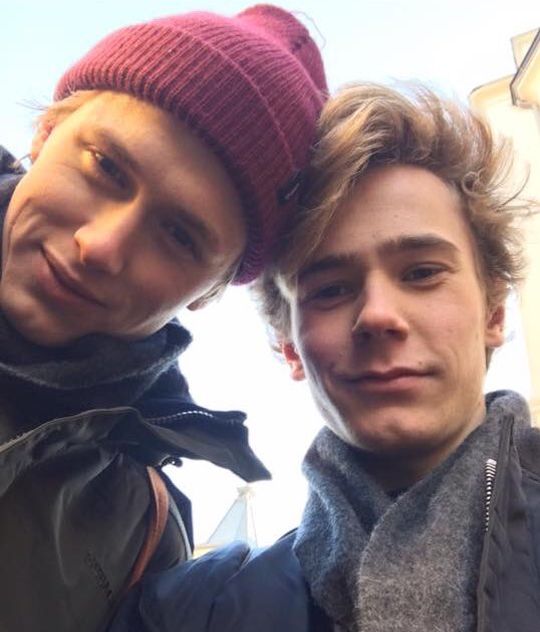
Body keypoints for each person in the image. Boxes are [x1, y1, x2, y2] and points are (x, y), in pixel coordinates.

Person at [115, 83, 540, 632]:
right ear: (290, 347)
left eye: (422, 273)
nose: (378, 315)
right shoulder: (182, 616)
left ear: (494, 313)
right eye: (330, 289)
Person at [0, 5, 327, 631]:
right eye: (105, 166)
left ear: (208, 293)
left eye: (179, 235)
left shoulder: (142, 540)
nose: (101, 247)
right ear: (47, 131)